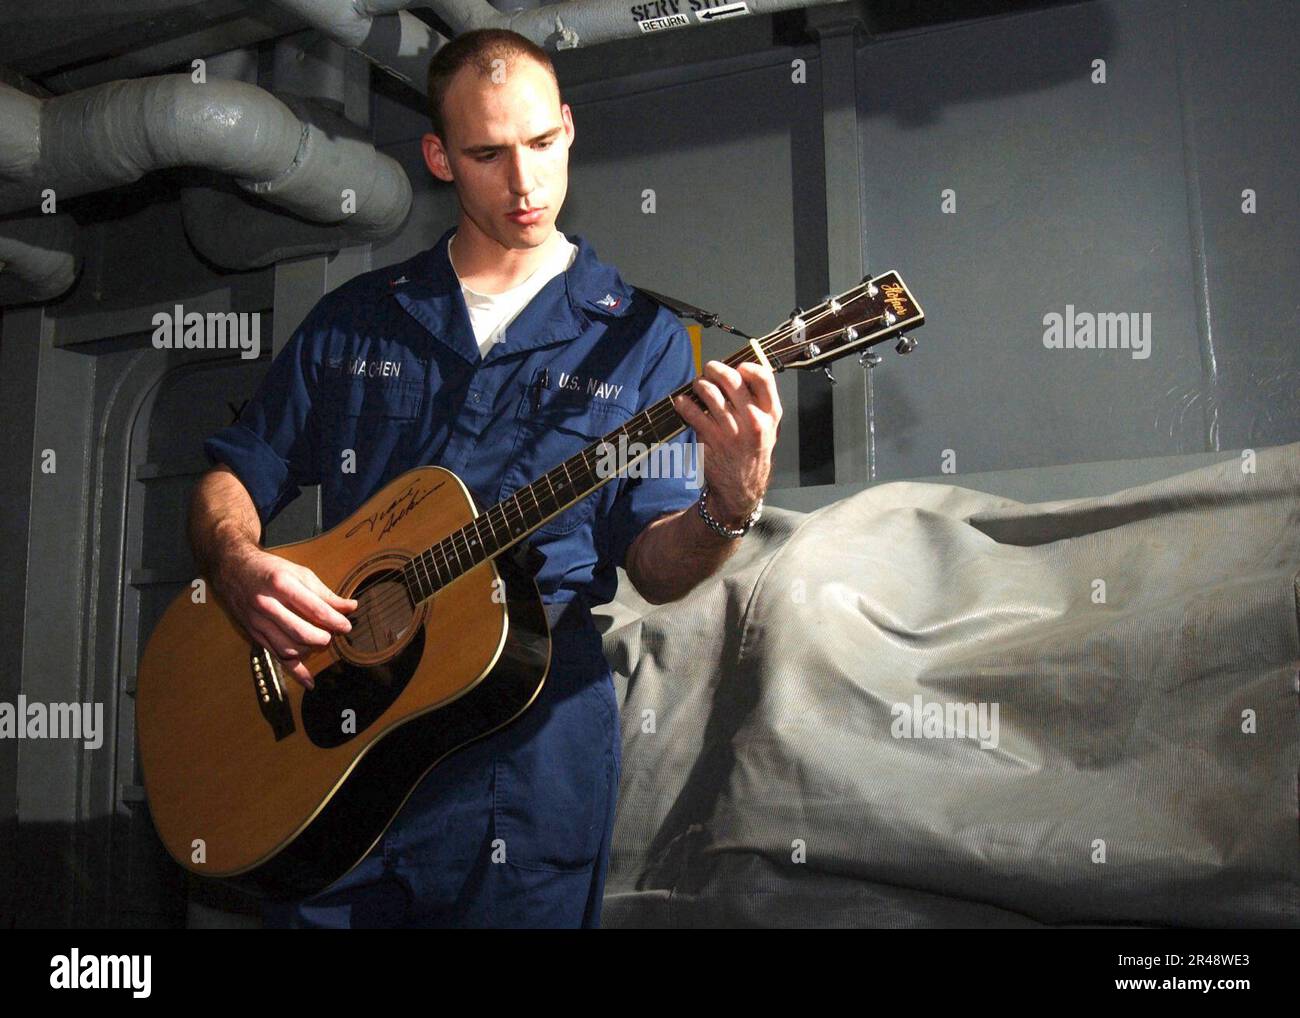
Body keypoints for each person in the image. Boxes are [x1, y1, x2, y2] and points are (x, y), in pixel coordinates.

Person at [189, 27, 781, 928]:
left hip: (528, 749)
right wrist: (238, 564)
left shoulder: (646, 341)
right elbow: (238, 472)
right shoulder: (358, 321)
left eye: (543, 144)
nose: (525, 183)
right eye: (488, 154)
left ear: (570, 129)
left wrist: (729, 504)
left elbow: (657, 567)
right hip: (332, 740)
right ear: (438, 158)